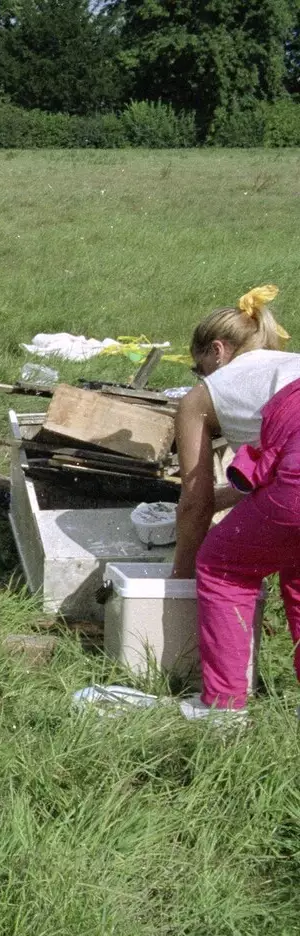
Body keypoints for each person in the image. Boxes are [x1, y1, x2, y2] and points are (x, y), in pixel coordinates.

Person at [171, 286, 295, 722]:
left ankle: (223, 709)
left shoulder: (203, 395)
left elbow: (195, 503)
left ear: (218, 351)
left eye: (197, 365)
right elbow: (276, 471)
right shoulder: (288, 367)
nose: (198, 375)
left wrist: (182, 575)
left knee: (225, 566)